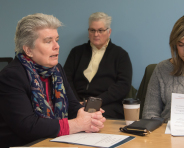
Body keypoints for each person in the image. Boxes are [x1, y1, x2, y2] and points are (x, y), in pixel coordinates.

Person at [0, 13, 106, 148]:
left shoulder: (56, 70)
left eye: (57, 39)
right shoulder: (11, 76)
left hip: (53, 142)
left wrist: (86, 115)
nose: (57, 46)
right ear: (28, 50)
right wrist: (77, 124)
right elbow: (28, 126)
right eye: (48, 41)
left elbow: (72, 105)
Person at [64, 12, 132, 119]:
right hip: (77, 103)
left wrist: (94, 103)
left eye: (100, 30)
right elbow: (66, 80)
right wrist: (77, 102)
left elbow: (123, 86)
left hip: (107, 104)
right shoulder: (76, 52)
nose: (96, 34)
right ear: (88, 32)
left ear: (109, 32)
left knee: (95, 118)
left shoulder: (120, 55)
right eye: (92, 30)